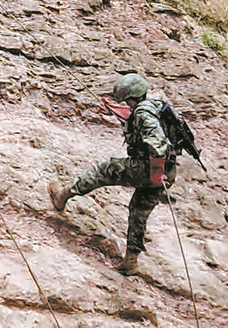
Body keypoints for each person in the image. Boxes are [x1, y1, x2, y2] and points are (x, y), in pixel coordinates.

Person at [48, 74, 178, 274]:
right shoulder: (154, 105)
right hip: (168, 170)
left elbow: (158, 145)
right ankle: (131, 261)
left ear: (131, 98)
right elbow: (138, 120)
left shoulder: (143, 113)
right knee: (138, 211)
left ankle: (62, 196)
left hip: (151, 167)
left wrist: (155, 174)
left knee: (105, 170)